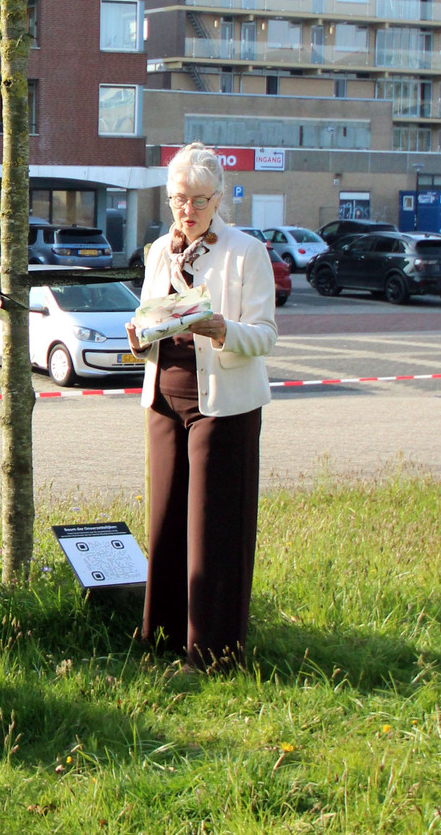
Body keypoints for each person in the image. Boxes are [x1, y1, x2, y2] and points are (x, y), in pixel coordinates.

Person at [128, 141, 277, 670]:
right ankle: (163, 642)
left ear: (218, 199)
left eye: (196, 200)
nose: (186, 210)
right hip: (163, 400)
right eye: (177, 199)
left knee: (214, 530)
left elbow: (265, 335)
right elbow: (148, 321)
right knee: (166, 522)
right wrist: (138, 338)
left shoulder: (247, 252)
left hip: (225, 407)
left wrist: (222, 329)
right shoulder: (158, 251)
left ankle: (212, 655)